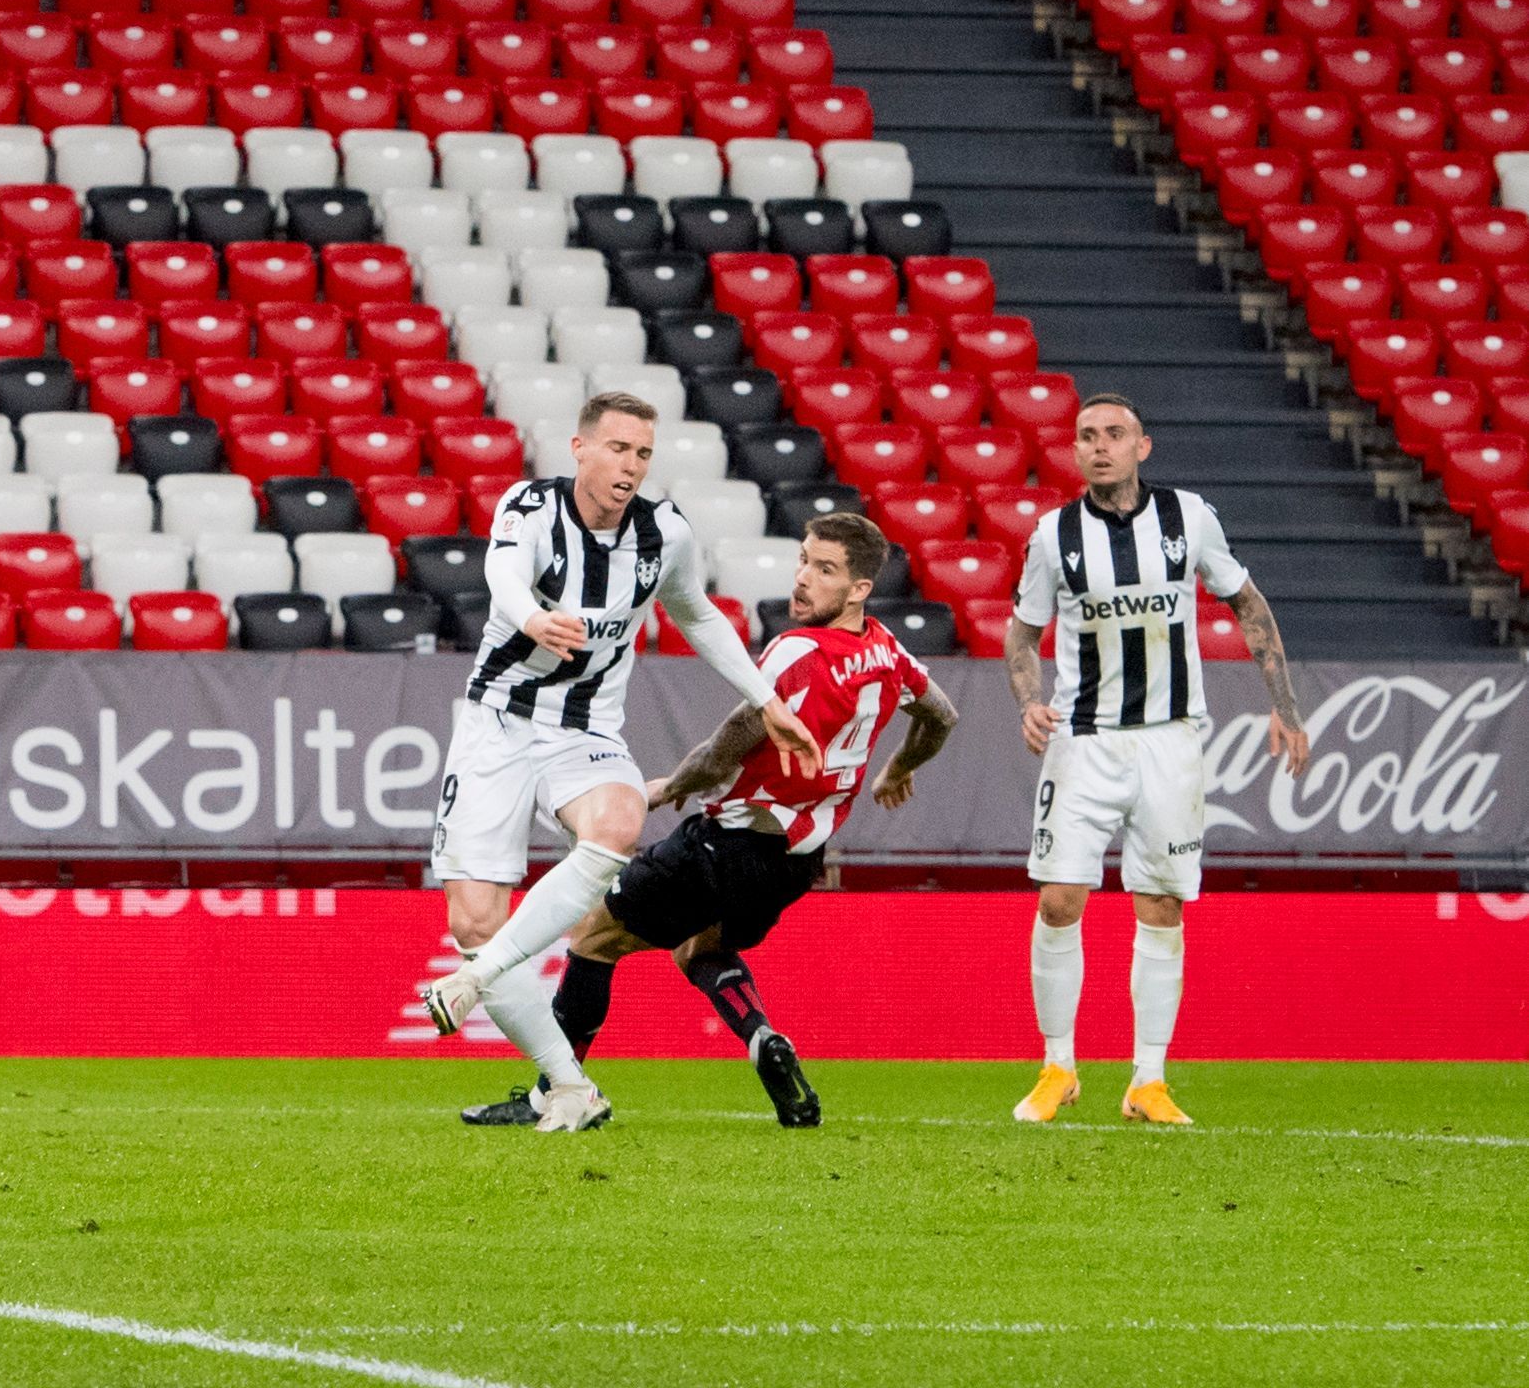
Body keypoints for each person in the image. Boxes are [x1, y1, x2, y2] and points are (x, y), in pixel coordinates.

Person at [425, 515, 960, 1126]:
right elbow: (942, 715)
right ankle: (763, 1039)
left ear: (859, 589)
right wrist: (898, 768)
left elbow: (730, 741)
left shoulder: (797, 650)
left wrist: (669, 788)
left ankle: (557, 1093)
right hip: (798, 861)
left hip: (731, 838)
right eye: (805, 560)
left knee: (593, 940)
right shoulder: (887, 652)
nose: (804, 578)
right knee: (700, 947)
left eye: (825, 569)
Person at [415, 391, 810, 1132]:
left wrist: (766, 699)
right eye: (619, 449)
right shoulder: (529, 508)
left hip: (584, 728)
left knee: (621, 820)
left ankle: (478, 977)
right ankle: (568, 1085)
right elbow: (503, 578)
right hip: (497, 727)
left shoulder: (664, 533)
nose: (631, 465)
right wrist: (532, 616)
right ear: (581, 449)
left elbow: (696, 613)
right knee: (474, 919)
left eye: (643, 454)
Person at [1005, 394, 1305, 1127]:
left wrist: (1287, 707)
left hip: (1171, 739)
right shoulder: (1053, 535)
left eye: (1114, 434)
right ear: (1074, 451)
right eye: (1087, 436)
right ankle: (1057, 1065)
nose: (1099, 446)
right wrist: (1028, 700)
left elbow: (1250, 605)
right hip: (1084, 739)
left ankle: (1148, 1078)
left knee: (1161, 904)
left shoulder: (1189, 517)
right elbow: (1021, 633)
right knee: (1058, 898)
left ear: (1144, 445)